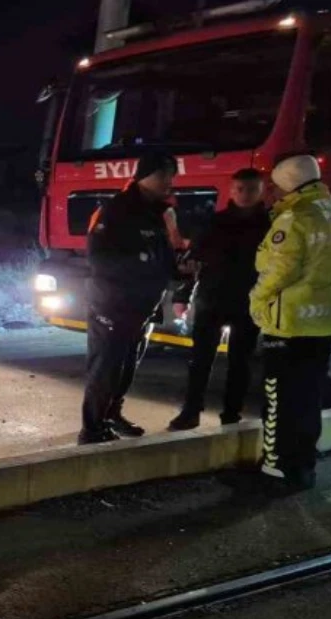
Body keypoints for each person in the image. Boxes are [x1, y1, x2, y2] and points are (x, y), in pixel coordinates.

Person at [249, 153, 331, 491]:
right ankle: (303, 466)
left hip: (289, 322)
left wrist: (257, 300)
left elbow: (279, 270)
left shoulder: (294, 218)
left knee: (278, 398)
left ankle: (277, 469)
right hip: (324, 321)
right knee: (308, 396)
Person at [80, 151, 180, 445]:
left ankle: (112, 415)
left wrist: (177, 269)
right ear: (144, 176)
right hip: (113, 304)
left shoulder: (157, 211)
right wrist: (141, 264)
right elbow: (99, 260)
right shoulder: (115, 210)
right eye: (163, 175)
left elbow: (160, 255)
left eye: (171, 175)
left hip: (142, 306)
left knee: (127, 365)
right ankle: (91, 429)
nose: (169, 182)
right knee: (105, 367)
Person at [168, 168, 271, 430]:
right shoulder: (214, 222)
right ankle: (191, 411)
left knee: (241, 362)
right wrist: (183, 294)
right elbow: (193, 260)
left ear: (262, 191)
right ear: (231, 190)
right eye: (239, 189)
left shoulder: (270, 224)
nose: (244, 195)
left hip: (250, 302)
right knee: (200, 359)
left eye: (250, 189)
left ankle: (231, 414)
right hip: (212, 298)